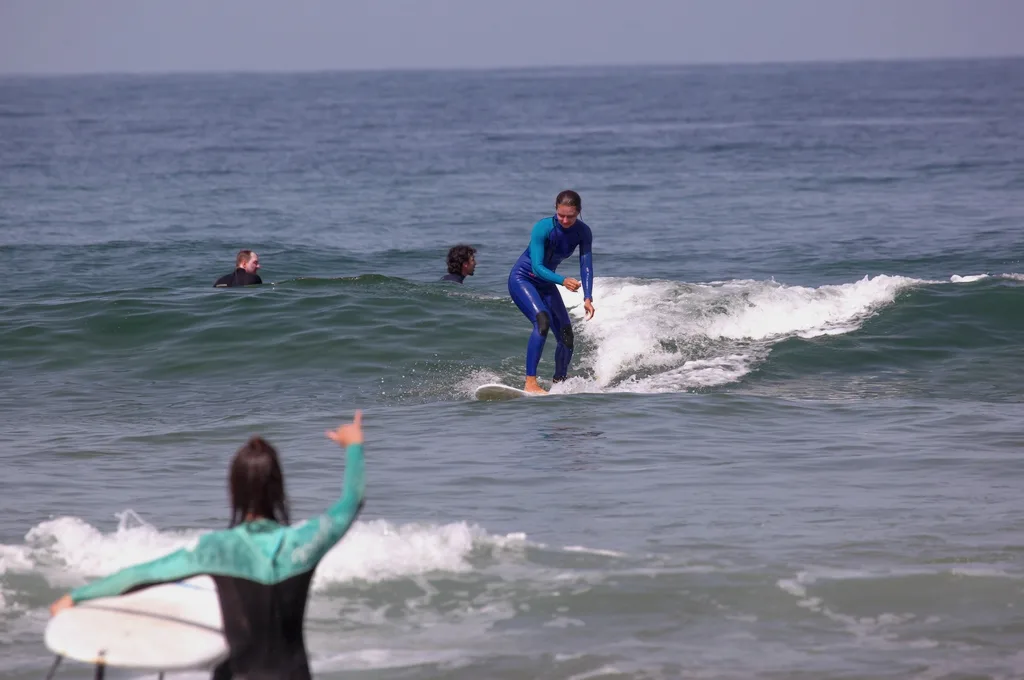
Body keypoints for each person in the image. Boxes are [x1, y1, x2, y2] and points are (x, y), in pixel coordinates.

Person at [49, 411, 367, 680]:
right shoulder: (305, 542)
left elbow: (142, 574)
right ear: (279, 489)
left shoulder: (217, 548)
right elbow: (351, 502)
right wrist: (354, 445)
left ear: (234, 492)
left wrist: (75, 597)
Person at [507, 190, 596, 394]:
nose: (565, 220)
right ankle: (530, 382)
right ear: (555, 210)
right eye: (561, 215)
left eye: (570, 216)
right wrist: (562, 281)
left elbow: (586, 265)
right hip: (523, 279)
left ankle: (559, 382)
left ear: (579, 212)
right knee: (542, 321)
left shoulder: (583, 232)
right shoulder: (542, 228)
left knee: (566, 336)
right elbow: (537, 267)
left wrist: (588, 297)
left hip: (546, 284)